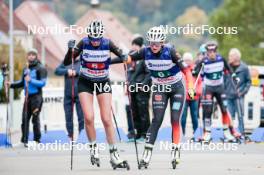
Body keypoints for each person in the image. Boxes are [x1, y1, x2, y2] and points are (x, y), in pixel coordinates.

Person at [111, 26, 195, 169]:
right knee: (156, 120)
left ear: (162, 42)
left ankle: (175, 150)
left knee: (175, 119)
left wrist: (191, 87)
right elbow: (127, 58)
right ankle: (147, 153)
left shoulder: (171, 51)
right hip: (160, 88)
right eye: (151, 43)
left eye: (157, 43)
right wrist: (106, 62)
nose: (154, 46)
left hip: (176, 88)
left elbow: (186, 70)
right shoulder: (145, 51)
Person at [63, 19, 129, 169]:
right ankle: (93, 148)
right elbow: (68, 61)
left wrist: (123, 57)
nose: (95, 42)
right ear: (89, 36)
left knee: (106, 119)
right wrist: (70, 50)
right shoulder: (84, 43)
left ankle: (114, 154)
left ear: (101, 36)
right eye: (93, 39)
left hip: (102, 81)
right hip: (85, 81)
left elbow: (122, 56)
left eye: (97, 39)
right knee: (89, 117)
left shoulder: (107, 43)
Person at [194, 41, 240, 143]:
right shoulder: (203, 61)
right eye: (209, 52)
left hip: (220, 88)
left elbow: (229, 69)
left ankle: (226, 132)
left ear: (216, 51)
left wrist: (234, 76)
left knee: (224, 109)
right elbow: (195, 72)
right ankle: (207, 133)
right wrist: (195, 71)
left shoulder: (221, 59)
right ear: (207, 52)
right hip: (209, 88)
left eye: (213, 51)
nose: (212, 54)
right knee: (208, 111)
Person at [6, 48, 47, 147]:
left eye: (33, 54)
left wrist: (31, 80)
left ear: (36, 56)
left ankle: (37, 140)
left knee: (35, 118)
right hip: (27, 97)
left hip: (37, 97)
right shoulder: (26, 68)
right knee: (24, 119)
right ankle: (24, 140)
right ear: (27, 56)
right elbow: (22, 83)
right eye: (29, 54)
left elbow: (43, 83)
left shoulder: (41, 68)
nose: (31, 56)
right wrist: (10, 84)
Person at [127, 35, 151, 142]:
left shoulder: (145, 57)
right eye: (133, 45)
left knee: (143, 112)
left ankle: (146, 134)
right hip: (133, 88)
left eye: (135, 45)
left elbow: (149, 73)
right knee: (134, 112)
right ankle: (137, 134)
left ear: (140, 46)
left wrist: (143, 84)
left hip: (142, 89)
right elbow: (129, 73)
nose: (133, 47)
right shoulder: (131, 57)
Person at [55, 59, 84, 138]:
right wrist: (66, 71)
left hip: (79, 93)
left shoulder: (82, 61)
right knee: (68, 116)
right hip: (68, 94)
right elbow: (57, 71)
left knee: (81, 116)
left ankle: (82, 135)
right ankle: (70, 135)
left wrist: (76, 72)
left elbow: (86, 71)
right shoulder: (65, 62)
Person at [225, 48, 251, 134]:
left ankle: (241, 133)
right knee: (230, 116)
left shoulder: (244, 68)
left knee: (240, 116)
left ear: (236, 57)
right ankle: (230, 133)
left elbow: (248, 81)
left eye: (231, 56)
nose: (229, 57)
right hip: (229, 95)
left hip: (239, 96)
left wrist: (243, 91)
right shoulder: (227, 67)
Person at [181, 52, 202, 136]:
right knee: (183, 117)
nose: (187, 62)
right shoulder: (181, 70)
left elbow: (200, 83)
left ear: (191, 60)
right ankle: (182, 134)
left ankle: (196, 133)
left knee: (194, 116)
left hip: (194, 97)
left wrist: (197, 92)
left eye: (189, 60)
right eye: (185, 60)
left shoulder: (195, 69)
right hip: (184, 97)